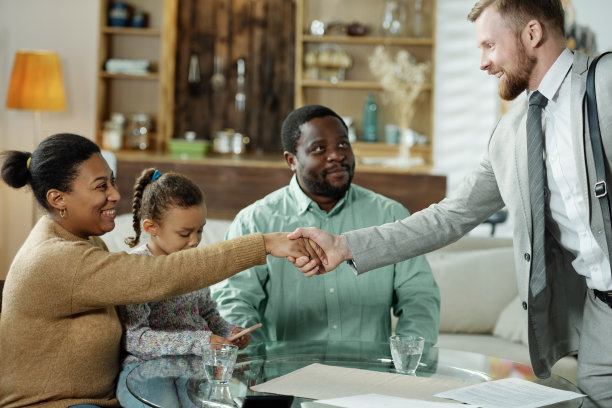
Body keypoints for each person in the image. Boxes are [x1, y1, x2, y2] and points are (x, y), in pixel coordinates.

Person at [289, 1, 612, 405]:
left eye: (490, 46)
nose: (483, 62)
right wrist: (344, 246)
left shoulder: (605, 83)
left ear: (532, 35)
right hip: (604, 317)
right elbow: (449, 216)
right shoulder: (510, 135)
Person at [0, 133, 320, 408]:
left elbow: (199, 303)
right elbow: (158, 276)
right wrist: (262, 244)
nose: (115, 194)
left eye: (112, 181)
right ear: (58, 199)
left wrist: (223, 331)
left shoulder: (81, 242)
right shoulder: (56, 259)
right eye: (101, 186)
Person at [212, 105, 440, 345]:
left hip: (370, 376)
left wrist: (409, 364)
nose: (337, 155)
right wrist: (253, 364)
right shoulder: (254, 221)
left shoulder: (390, 214)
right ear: (291, 160)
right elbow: (234, 303)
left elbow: (419, 298)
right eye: (320, 148)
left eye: (343, 144)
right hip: (284, 377)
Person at [115, 168, 252, 407]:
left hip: (194, 366)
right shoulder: (136, 269)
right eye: (184, 233)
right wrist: (200, 341)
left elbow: (208, 315)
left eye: (199, 230)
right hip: (146, 369)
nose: (195, 241)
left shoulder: (194, 264)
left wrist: (229, 332)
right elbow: (136, 339)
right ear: (151, 227)